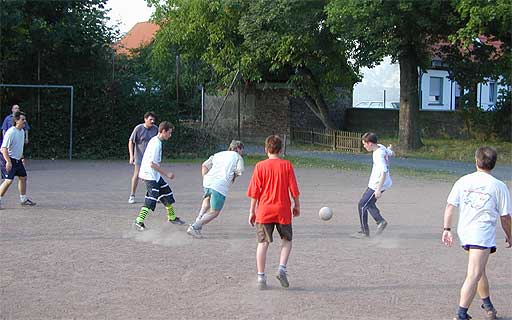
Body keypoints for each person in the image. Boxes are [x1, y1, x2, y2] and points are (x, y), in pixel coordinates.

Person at [442, 146, 511, 320]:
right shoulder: (499, 186)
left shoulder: (463, 181)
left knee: (479, 270)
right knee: (474, 274)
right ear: (494, 164)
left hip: (465, 231)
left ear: (476, 161)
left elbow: (450, 206)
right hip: (481, 234)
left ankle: (488, 306)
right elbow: (505, 218)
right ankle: (461, 314)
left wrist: (447, 229)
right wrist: (510, 235)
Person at [247, 135, 300, 290]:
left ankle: (261, 278)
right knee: (287, 240)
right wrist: (297, 206)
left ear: (266, 149)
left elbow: (254, 192)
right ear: (281, 150)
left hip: (264, 210)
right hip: (283, 210)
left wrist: (252, 211)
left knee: (262, 243)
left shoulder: (260, 166)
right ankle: (281, 268)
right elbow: (294, 189)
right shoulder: (287, 165)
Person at [132, 121, 185, 231]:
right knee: (151, 199)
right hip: (149, 175)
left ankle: (172, 217)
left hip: (154, 175)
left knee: (166, 193)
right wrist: (167, 174)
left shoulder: (156, 141)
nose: (170, 136)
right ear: (163, 131)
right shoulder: (156, 144)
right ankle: (139, 222)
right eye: (169, 133)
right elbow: (152, 164)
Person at [186, 140, 244, 238]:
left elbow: (204, 165)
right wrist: (233, 176)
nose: (242, 152)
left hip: (208, 181)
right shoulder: (238, 157)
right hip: (220, 184)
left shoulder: (218, 154)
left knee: (208, 198)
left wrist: (205, 177)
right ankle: (195, 227)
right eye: (242, 150)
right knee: (214, 212)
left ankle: (199, 218)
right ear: (238, 148)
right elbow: (240, 171)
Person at [351, 132, 393, 239]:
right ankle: (380, 221)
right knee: (369, 203)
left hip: (377, 184)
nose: (364, 146)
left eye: (364, 144)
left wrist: (378, 189)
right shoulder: (381, 147)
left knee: (362, 205)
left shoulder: (378, 155)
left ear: (370, 143)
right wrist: (390, 150)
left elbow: (384, 171)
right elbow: (390, 153)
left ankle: (365, 232)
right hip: (382, 183)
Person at [0, 111, 36, 209]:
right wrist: (8, 161)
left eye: (25, 119)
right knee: (8, 181)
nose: (24, 121)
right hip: (7, 158)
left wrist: (22, 158)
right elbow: (3, 149)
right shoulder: (11, 132)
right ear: (16, 120)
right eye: (22, 119)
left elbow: (19, 147)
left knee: (23, 177)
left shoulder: (22, 132)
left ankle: (23, 199)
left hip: (17, 159)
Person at [128, 111, 158, 204]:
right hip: (139, 156)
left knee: (153, 176)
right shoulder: (138, 128)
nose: (152, 121)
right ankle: (132, 196)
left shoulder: (155, 129)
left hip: (151, 158)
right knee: (137, 175)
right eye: (150, 119)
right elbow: (131, 141)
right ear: (145, 119)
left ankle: (153, 195)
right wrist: (131, 156)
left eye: (153, 120)